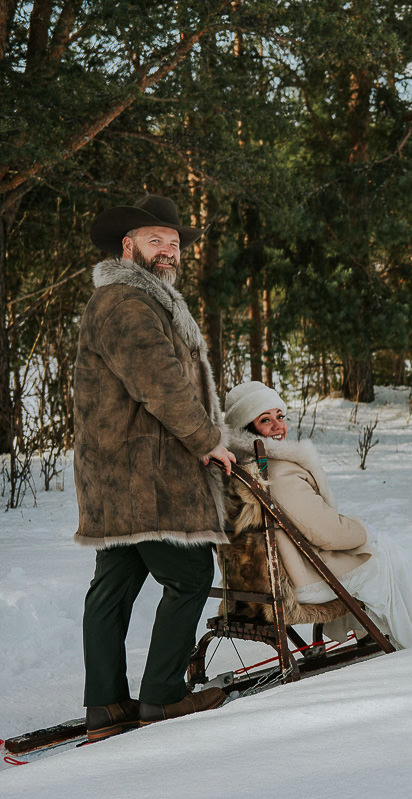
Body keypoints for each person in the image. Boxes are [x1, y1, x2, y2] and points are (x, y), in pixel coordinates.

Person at [74, 195, 232, 742]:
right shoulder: (126, 302)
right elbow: (160, 382)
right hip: (146, 472)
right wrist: (207, 439)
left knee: (112, 589)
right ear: (128, 246)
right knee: (189, 576)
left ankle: (107, 707)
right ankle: (163, 697)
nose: (168, 250)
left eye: (174, 242)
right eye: (154, 240)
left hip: (116, 473)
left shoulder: (140, 300)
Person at [221, 380, 412, 649]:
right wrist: (363, 531)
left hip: (278, 577)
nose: (278, 426)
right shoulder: (277, 471)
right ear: (247, 428)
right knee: (385, 553)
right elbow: (326, 533)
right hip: (306, 580)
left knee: (377, 550)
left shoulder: (242, 468)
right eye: (265, 420)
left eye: (280, 416)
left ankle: (392, 626)